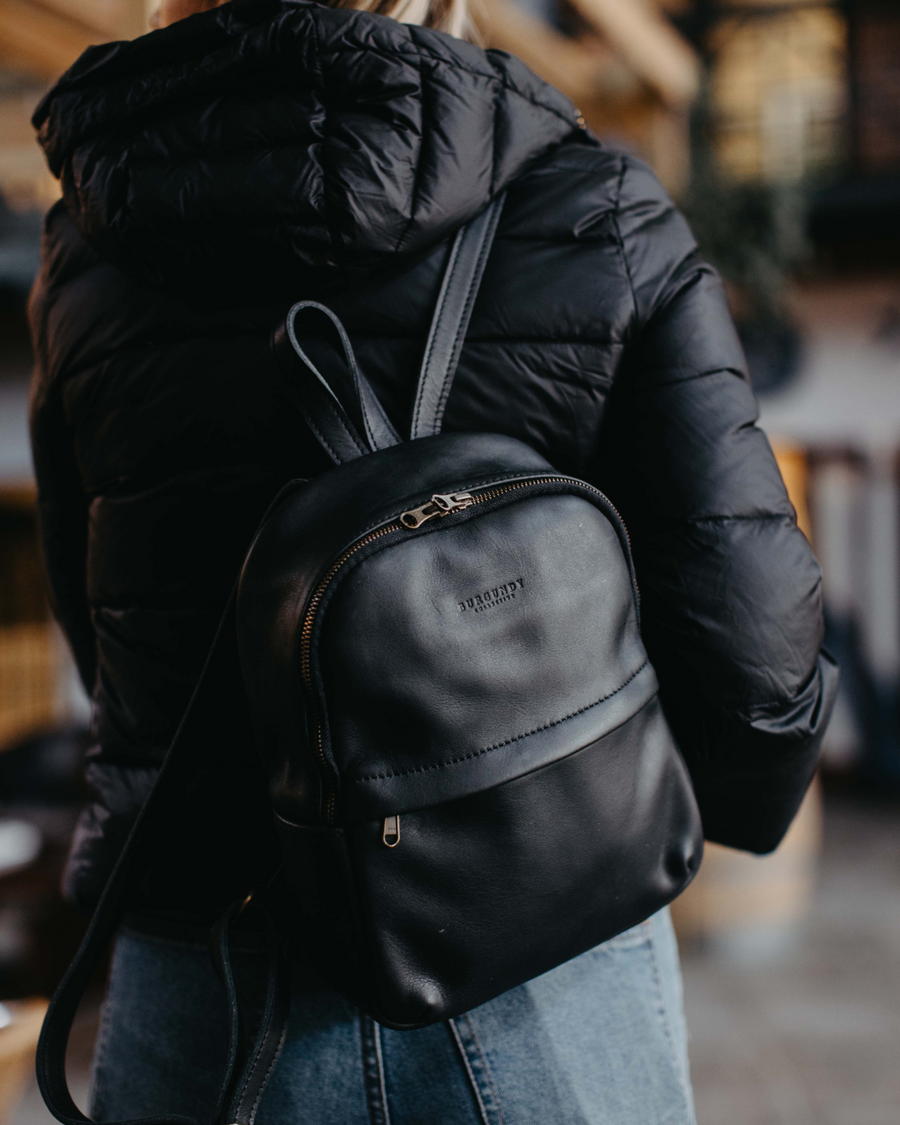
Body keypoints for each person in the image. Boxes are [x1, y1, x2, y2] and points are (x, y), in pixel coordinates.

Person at [28, 0, 837, 1121]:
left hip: (205, 952)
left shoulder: (85, 238)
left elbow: (91, 605)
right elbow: (756, 643)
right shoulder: (594, 205)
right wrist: (659, 807)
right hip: (542, 941)